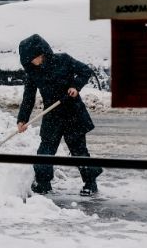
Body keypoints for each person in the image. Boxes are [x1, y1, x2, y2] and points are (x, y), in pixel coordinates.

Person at [16, 33, 103, 196]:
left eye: (32, 58)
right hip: (52, 114)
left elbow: (85, 71)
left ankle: (90, 182)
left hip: (72, 111)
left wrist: (75, 87)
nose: (31, 62)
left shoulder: (63, 60)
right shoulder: (33, 73)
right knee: (45, 150)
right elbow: (28, 98)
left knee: (78, 150)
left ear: (41, 53)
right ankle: (43, 183)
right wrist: (22, 119)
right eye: (28, 60)